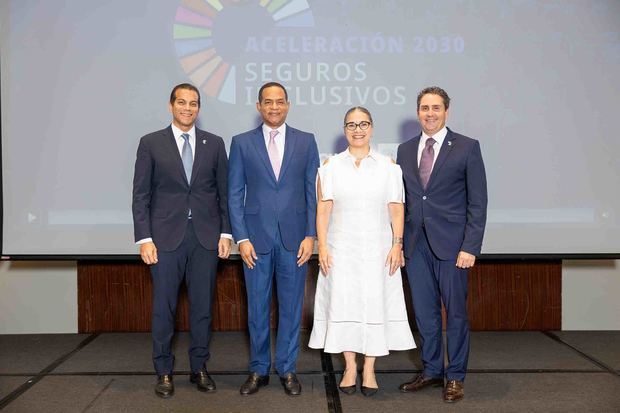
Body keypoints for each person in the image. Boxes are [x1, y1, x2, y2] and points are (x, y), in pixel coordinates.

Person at [132, 83, 232, 398]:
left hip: (205, 238)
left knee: (202, 308)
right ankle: (163, 371)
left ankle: (199, 367)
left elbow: (224, 193)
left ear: (199, 108)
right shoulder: (151, 143)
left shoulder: (214, 144)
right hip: (164, 239)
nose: (187, 108)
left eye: (193, 103)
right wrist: (144, 238)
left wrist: (226, 233)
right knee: (164, 308)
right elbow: (141, 195)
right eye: (181, 102)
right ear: (171, 105)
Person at [309, 107, 416, 397]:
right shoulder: (330, 167)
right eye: (352, 124)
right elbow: (323, 211)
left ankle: (369, 367)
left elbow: (396, 208)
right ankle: (350, 366)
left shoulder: (388, 167)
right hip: (340, 248)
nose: (358, 129)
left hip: (379, 249)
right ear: (344, 129)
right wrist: (323, 247)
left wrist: (397, 243)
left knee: (374, 303)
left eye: (363, 124)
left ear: (372, 127)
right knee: (343, 304)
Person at [228, 82, 320, 396]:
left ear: (288, 105)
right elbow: (234, 193)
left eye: (279, 102)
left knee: (292, 306)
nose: (274, 107)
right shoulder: (241, 143)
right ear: (259, 106)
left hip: (295, 239)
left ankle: (287, 368)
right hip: (255, 240)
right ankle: (258, 369)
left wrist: (311, 235)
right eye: (268, 102)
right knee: (256, 307)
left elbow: (312, 192)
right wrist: (241, 238)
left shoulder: (306, 142)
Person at [396, 86, 487, 403]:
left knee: (456, 314)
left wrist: (470, 246)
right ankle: (432, 370)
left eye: (436, 108)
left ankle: (456, 376)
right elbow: (407, 199)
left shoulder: (466, 147)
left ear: (446, 111)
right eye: (424, 108)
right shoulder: (405, 150)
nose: (430, 113)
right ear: (418, 111)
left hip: (453, 246)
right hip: (416, 245)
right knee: (425, 314)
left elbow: (478, 202)